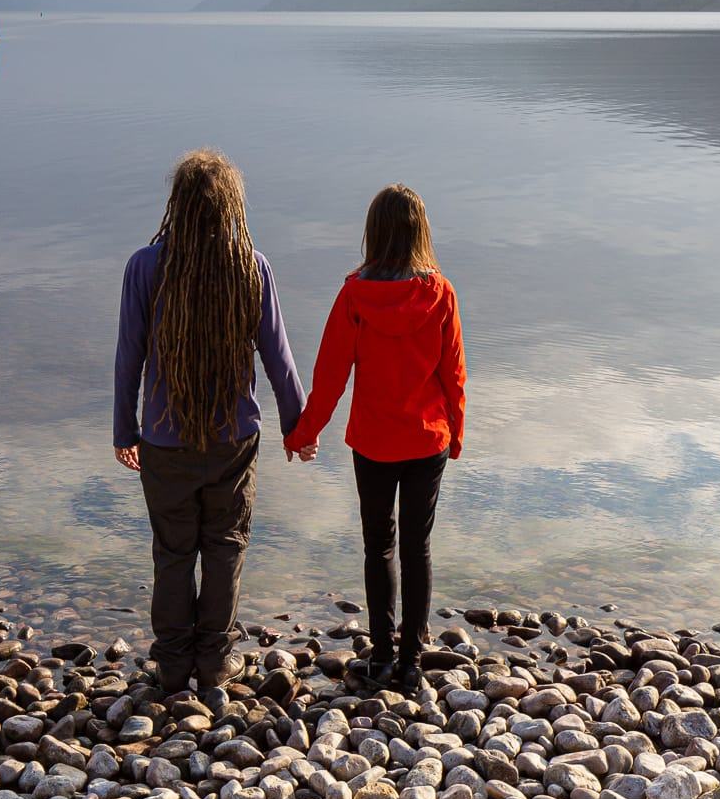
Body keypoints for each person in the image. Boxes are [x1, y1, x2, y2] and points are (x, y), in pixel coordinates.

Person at [114, 149, 306, 694]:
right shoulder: (251, 265)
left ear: (177, 204)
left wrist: (123, 429)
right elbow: (279, 357)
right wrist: (297, 426)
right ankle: (215, 661)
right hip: (233, 437)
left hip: (163, 439)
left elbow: (128, 358)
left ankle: (174, 665)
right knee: (225, 545)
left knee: (173, 550)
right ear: (230, 206)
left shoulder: (145, 267)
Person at [284, 184, 466, 687]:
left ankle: (383, 656)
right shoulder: (441, 293)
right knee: (417, 547)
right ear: (419, 232)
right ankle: (411, 663)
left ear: (373, 233)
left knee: (378, 545)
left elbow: (329, 377)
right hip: (427, 439)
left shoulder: (354, 294)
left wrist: (303, 433)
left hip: (374, 442)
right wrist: (457, 431)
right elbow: (454, 375)